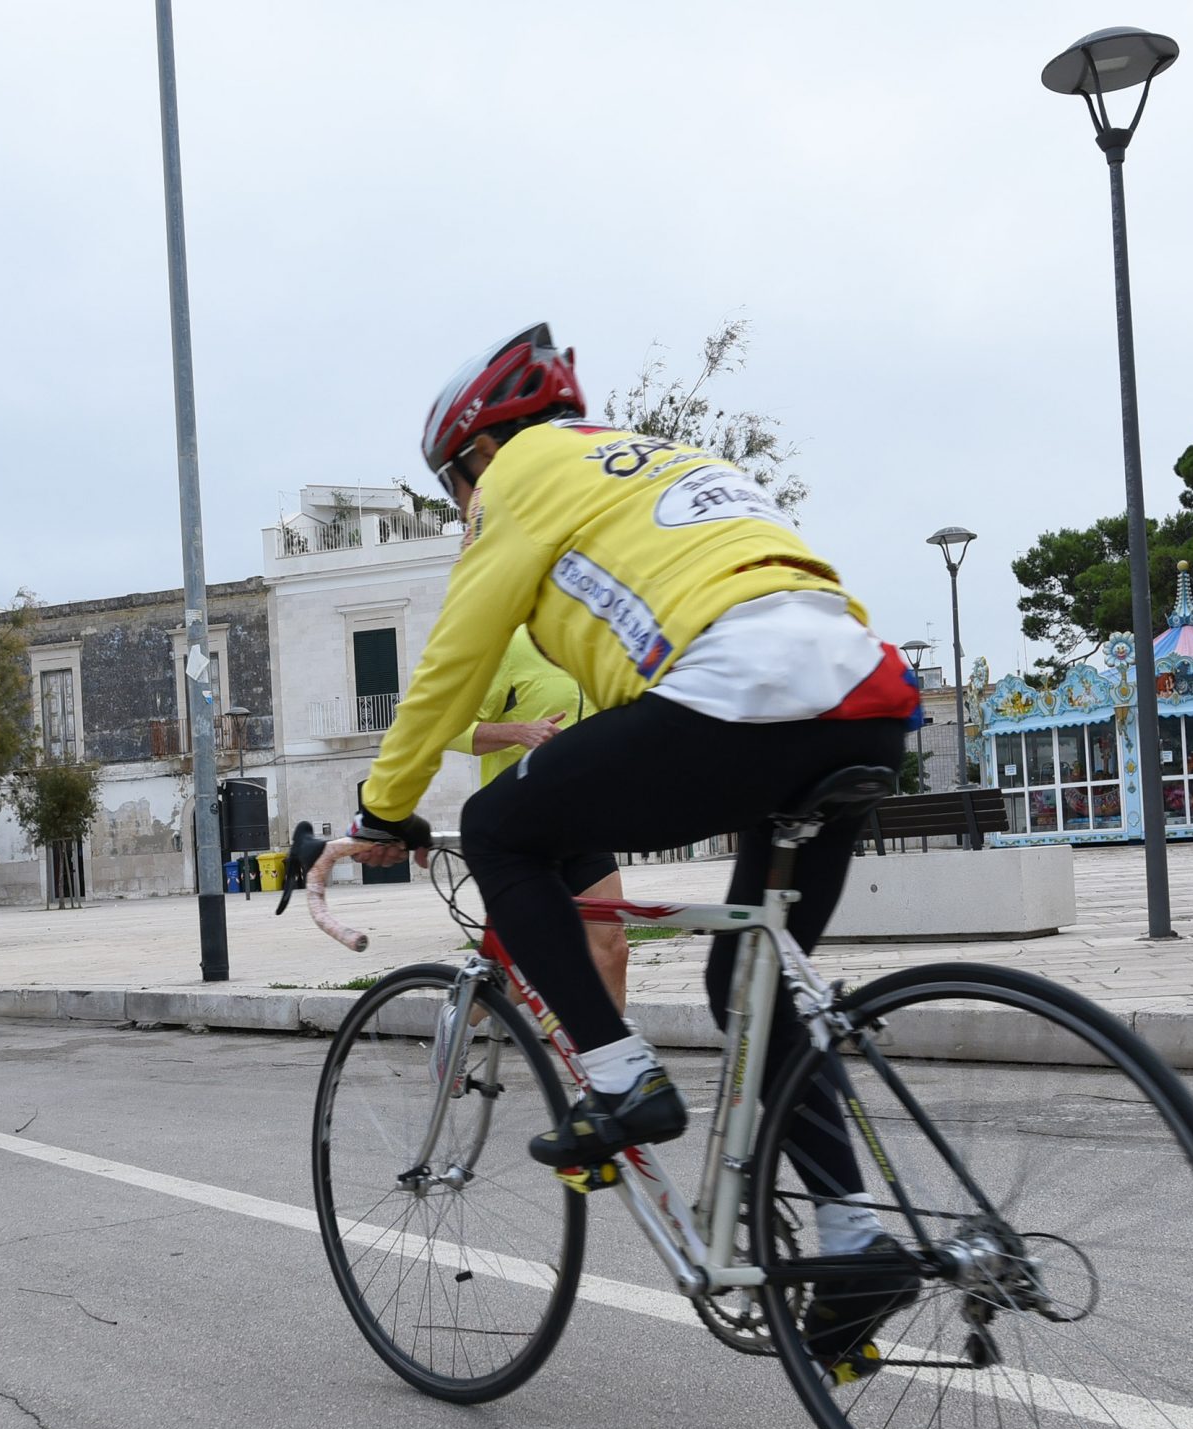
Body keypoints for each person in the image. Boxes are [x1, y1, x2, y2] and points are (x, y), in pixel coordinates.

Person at [352, 324, 923, 1376]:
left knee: (497, 829)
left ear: (476, 452)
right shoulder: (661, 459)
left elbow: (449, 664)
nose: (461, 515)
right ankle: (850, 1246)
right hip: (864, 696)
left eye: (450, 494)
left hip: (735, 697)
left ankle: (618, 1080)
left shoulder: (520, 477)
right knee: (749, 975)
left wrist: (385, 806)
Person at [443, 624, 627, 1007]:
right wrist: (520, 732)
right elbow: (451, 726)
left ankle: (620, 1065)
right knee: (522, 966)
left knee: (612, 947)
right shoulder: (511, 643)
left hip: (583, 822)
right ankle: (457, 1028)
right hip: (519, 826)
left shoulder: (600, 642)